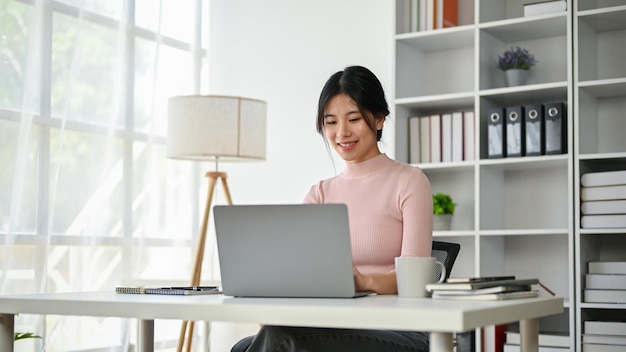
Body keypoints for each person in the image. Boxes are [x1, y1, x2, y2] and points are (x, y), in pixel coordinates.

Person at [232, 65, 433, 352]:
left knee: (279, 341)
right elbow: (299, 273)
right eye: (331, 122)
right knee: (249, 344)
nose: (342, 133)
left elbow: (417, 280)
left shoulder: (409, 181)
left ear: (379, 120)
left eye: (354, 119)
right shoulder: (320, 194)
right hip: (332, 322)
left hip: (398, 328)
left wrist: (363, 281)